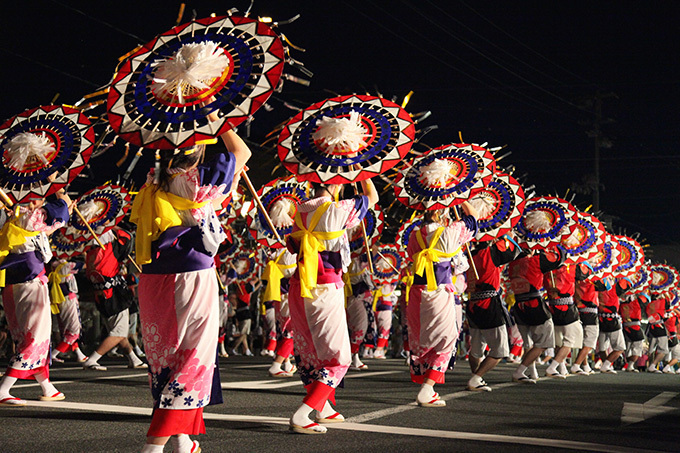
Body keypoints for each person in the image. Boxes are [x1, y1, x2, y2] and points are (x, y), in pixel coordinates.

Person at [131, 125, 251, 452]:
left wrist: (234, 176)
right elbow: (242, 152)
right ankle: (153, 447)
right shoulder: (201, 177)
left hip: (154, 277)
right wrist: (219, 119)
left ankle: (183, 441)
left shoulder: (154, 181)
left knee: (166, 358)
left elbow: (209, 206)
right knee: (192, 359)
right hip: (190, 275)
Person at [287, 178, 378, 434]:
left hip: (300, 285)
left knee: (311, 352)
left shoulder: (300, 210)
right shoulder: (336, 210)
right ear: (336, 185)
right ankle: (303, 413)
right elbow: (372, 196)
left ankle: (323, 407)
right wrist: (361, 170)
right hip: (324, 286)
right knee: (340, 357)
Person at [0, 188, 71, 406]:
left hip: (21, 286)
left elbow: (46, 229)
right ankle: (3, 388)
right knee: (33, 340)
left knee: (35, 338)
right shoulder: (25, 217)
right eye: (37, 199)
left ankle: (47, 387)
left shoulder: (20, 221)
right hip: (28, 286)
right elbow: (58, 215)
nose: (39, 203)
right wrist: (63, 199)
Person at [406, 203, 477, 406]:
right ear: (440, 212)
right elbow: (473, 217)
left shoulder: (414, 235)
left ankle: (427, 385)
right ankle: (427, 389)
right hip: (438, 292)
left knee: (422, 339)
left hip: (417, 294)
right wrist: (458, 198)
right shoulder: (449, 232)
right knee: (447, 339)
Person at [83, 227, 146, 371]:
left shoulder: (91, 254)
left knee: (119, 331)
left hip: (101, 297)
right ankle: (92, 359)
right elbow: (128, 237)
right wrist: (113, 226)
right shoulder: (109, 251)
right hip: (114, 297)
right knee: (118, 332)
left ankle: (133, 359)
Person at [466, 234, 521, 391]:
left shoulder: (470, 254)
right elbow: (515, 251)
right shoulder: (490, 252)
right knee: (500, 349)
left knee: (476, 348)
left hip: (472, 304)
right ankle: (476, 378)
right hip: (488, 305)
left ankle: (475, 376)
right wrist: (506, 237)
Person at [509, 247, 563, 383]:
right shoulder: (534, 261)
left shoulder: (512, 264)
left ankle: (531, 372)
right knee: (543, 343)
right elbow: (558, 260)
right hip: (534, 305)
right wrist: (557, 247)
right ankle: (519, 371)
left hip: (519, 306)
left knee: (528, 343)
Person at [48, 259, 88, 363]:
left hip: (61, 299)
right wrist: (84, 256)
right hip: (67, 299)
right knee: (74, 332)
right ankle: (53, 355)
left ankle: (79, 354)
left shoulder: (54, 265)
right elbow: (83, 265)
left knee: (68, 330)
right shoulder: (63, 265)